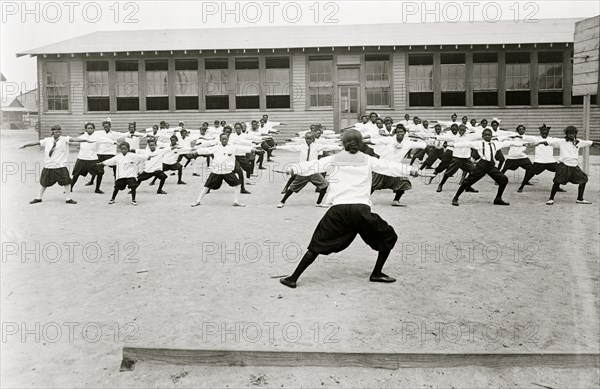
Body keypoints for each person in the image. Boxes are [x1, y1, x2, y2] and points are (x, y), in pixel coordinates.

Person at [279, 129, 432, 289]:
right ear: (360, 144)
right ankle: (377, 273)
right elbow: (389, 167)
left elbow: (312, 166)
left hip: (339, 210)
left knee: (316, 245)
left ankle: (293, 278)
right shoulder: (368, 159)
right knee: (388, 237)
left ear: (343, 143)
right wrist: (412, 170)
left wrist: (293, 169)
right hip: (361, 210)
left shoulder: (333, 159)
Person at [21, 125, 97, 204]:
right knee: (44, 182)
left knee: (67, 182)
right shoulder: (47, 140)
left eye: (59, 132)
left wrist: (86, 140)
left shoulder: (64, 139)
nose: (58, 133)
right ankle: (38, 197)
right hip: (49, 166)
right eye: (56, 132)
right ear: (52, 132)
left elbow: (74, 139)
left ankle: (68, 198)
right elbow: (37, 142)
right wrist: (26, 145)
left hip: (60, 166)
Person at [449, 128, 526, 206]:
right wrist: (453, 145)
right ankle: (455, 198)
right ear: (482, 136)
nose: (487, 136)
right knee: (467, 182)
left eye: (489, 135)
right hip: (482, 165)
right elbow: (466, 144)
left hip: (490, 166)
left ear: (491, 136)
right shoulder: (479, 143)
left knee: (504, 180)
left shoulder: (495, 144)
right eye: (485, 135)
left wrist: (522, 144)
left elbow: (508, 143)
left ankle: (498, 199)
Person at [190, 133, 259, 207]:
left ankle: (236, 201)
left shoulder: (233, 147)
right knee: (206, 186)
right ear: (220, 140)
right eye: (222, 139)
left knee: (238, 184)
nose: (224, 140)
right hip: (217, 171)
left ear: (228, 139)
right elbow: (206, 150)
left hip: (227, 171)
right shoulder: (216, 147)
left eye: (226, 139)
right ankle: (198, 201)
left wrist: (254, 150)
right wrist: (196, 152)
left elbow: (243, 148)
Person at [276, 132, 342, 208]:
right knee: (292, 188)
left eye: (309, 139)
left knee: (325, 184)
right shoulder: (302, 146)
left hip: (313, 171)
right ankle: (282, 201)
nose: (307, 140)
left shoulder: (317, 146)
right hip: (303, 172)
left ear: (313, 139)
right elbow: (291, 147)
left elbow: (328, 147)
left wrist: (340, 148)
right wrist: (276, 148)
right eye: (306, 138)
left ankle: (319, 203)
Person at [543, 126, 598, 205]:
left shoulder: (578, 142)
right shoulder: (561, 141)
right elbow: (547, 142)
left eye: (573, 134)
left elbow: (591, 143)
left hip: (574, 166)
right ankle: (551, 199)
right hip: (563, 166)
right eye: (569, 134)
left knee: (584, 179)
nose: (571, 135)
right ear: (566, 134)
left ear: (575, 134)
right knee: (557, 182)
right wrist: (538, 143)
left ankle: (580, 199)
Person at [517, 124, 565, 193]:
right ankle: (521, 186)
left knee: (560, 171)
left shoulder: (552, 139)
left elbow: (562, 140)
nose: (544, 134)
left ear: (548, 133)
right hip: (539, 162)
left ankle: (557, 187)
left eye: (546, 133)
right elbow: (525, 137)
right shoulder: (536, 139)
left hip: (550, 161)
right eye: (543, 133)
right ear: (540, 132)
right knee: (530, 173)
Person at [70, 122, 114, 194]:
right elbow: (74, 140)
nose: (89, 130)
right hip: (82, 158)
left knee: (100, 172)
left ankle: (97, 189)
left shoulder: (97, 137)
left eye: (91, 128)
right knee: (76, 174)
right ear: (86, 129)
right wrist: (68, 142)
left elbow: (106, 139)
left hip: (93, 158)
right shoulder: (83, 136)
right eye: (88, 128)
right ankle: (70, 188)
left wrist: (113, 142)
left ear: (93, 129)